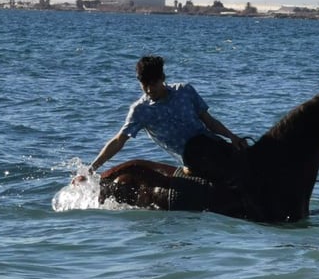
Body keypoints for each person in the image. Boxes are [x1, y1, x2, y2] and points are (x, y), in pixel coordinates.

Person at [90, 55, 247, 184]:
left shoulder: (185, 91)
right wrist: (91, 169)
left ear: (162, 78)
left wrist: (232, 137)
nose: (150, 89)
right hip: (192, 159)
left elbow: (210, 122)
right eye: (144, 84)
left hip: (212, 146)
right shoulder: (140, 110)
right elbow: (119, 140)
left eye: (154, 83)